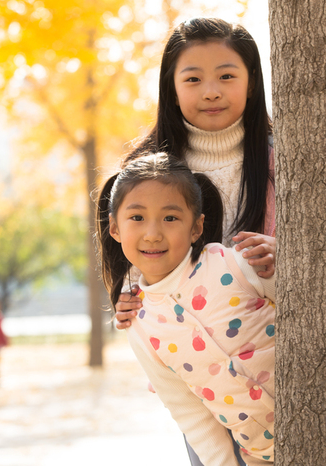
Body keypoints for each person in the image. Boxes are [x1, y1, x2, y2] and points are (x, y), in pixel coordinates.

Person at [96, 153, 275, 466]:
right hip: (261, 457)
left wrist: (285, 255)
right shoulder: (140, 326)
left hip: (323, 426)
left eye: (170, 218)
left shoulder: (237, 265)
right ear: (114, 228)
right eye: (137, 218)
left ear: (196, 227)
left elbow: (314, 308)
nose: (152, 233)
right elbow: (190, 414)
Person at [114, 17, 275, 331]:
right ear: (171, 88)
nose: (211, 92)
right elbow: (136, 269)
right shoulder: (146, 172)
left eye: (226, 76)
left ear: (251, 82)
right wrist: (126, 298)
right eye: (193, 80)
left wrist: (284, 252)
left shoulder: (282, 161)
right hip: (186, 351)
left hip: (268, 346)